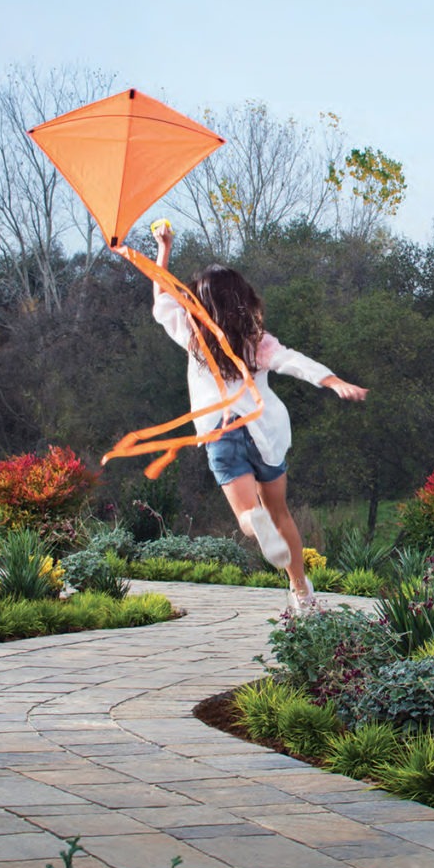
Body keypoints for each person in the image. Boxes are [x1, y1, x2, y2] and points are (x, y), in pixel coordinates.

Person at [150, 221, 368, 613]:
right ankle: (301, 591)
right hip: (263, 432)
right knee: (280, 511)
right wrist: (332, 381)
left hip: (220, 432)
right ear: (242, 300)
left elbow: (162, 298)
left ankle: (254, 523)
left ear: (202, 304)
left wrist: (164, 249)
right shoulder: (256, 342)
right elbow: (292, 362)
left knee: (247, 514)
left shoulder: (192, 335)